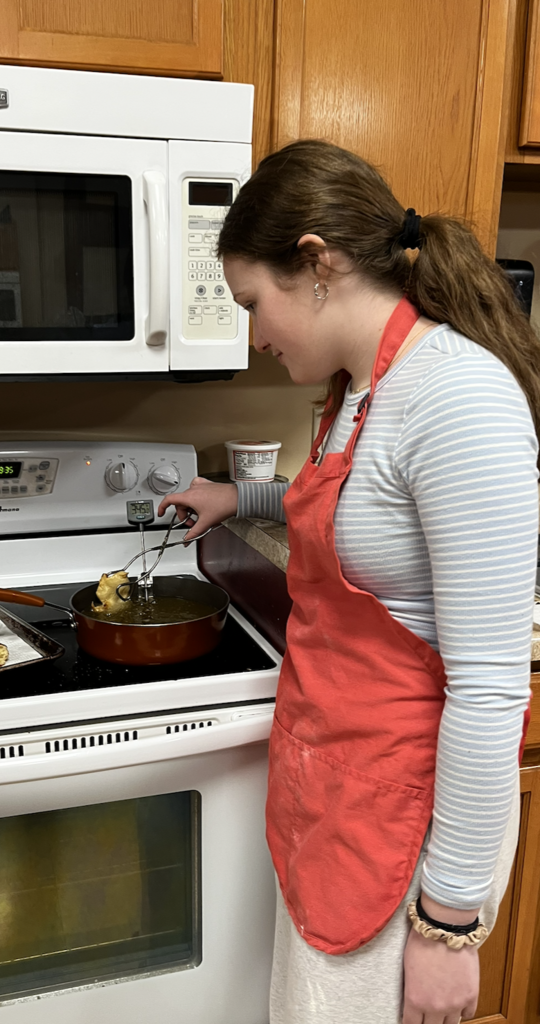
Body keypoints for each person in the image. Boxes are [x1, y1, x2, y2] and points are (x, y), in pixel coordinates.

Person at [158, 140, 540, 1024]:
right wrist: (240, 494)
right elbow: (362, 511)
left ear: (316, 263)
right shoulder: (364, 387)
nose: (254, 333)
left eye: (255, 302)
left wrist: (448, 926)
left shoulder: (457, 397)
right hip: (336, 787)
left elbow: (488, 691)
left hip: (403, 823)